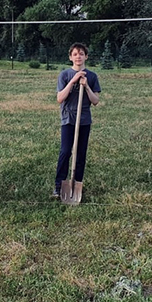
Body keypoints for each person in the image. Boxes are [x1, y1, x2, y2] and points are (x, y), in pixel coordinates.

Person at [53, 42, 100, 198]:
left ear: (86, 56)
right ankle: (59, 184)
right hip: (68, 118)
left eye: (81, 53)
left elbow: (95, 101)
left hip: (84, 119)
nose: (78, 56)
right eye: (75, 54)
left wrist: (86, 87)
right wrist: (73, 81)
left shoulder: (92, 76)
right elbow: (60, 98)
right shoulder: (64, 75)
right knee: (65, 151)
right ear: (70, 58)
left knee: (80, 153)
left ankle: (77, 182)